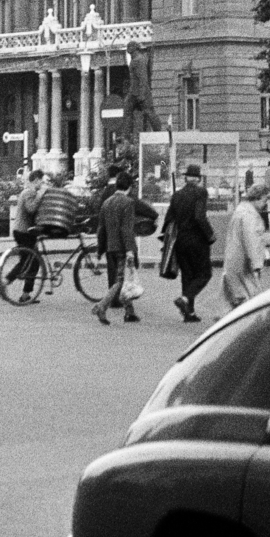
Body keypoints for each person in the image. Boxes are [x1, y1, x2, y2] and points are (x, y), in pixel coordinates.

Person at [163, 163, 215, 323]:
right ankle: (185, 299)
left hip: (180, 240)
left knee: (187, 275)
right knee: (205, 274)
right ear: (198, 179)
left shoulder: (177, 195)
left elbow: (169, 219)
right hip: (197, 240)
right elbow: (200, 216)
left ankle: (189, 313)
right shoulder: (200, 192)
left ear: (186, 178)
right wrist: (210, 234)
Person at [92, 170, 140, 325]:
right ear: (130, 187)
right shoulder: (128, 203)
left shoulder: (107, 202)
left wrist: (100, 249)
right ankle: (102, 306)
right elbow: (127, 229)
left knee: (120, 278)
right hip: (122, 247)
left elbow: (101, 229)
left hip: (109, 246)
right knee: (120, 281)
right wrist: (130, 251)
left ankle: (129, 312)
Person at [222, 184, 269, 310]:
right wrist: (257, 264)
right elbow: (251, 241)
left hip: (233, 261)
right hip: (244, 265)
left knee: (237, 300)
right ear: (257, 198)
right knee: (251, 303)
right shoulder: (250, 216)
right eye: (264, 200)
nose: (265, 204)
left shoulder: (240, 211)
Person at [10, 167, 49, 303]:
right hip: (23, 231)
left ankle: (26, 295)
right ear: (36, 180)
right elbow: (31, 208)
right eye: (41, 182)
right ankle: (5, 281)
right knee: (27, 262)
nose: (42, 185)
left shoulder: (30, 192)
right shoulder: (29, 192)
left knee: (32, 262)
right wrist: (40, 195)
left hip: (26, 231)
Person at [122, 41, 163, 132]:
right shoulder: (134, 59)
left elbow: (143, 78)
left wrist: (142, 94)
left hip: (141, 91)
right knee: (127, 110)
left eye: (130, 46)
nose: (128, 47)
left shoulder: (139, 60)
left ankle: (159, 132)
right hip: (133, 91)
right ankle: (127, 137)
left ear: (135, 48)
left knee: (149, 112)